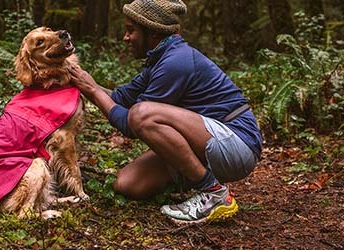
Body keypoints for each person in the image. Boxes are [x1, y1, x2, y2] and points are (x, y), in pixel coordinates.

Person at [69, 0, 262, 224]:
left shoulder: (176, 61)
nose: (126, 37)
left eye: (131, 30)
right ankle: (199, 180)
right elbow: (120, 99)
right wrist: (78, 81)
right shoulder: (160, 59)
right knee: (127, 183)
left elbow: (133, 123)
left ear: (152, 32)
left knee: (142, 114)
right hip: (208, 143)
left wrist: (93, 91)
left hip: (238, 144)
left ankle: (213, 193)